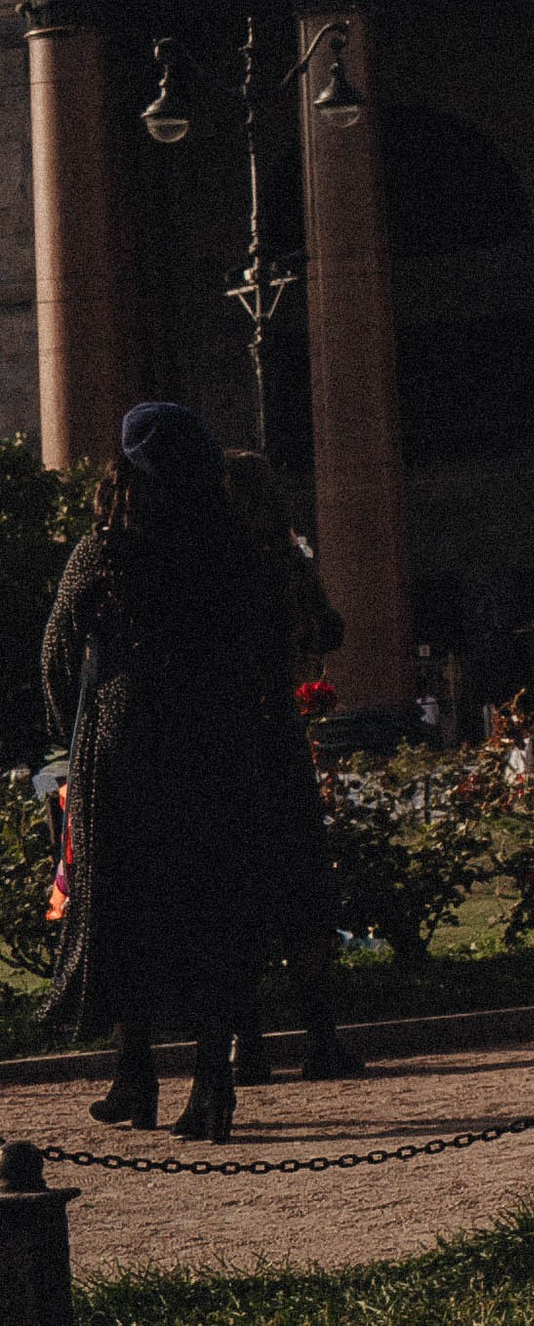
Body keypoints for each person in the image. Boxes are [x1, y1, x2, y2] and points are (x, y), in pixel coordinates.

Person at [42, 403, 266, 1139]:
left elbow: (56, 654)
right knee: (210, 910)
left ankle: (134, 1073)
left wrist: (74, 730)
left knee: (123, 913)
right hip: (217, 740)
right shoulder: (234, 544)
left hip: (124, 745)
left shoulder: (104, 549)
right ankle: (211, 1082)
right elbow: (268, 641)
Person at [222, 450, 362, 1084]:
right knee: (300, 887)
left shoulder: (202, 558)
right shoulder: (280, 557)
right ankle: (320, 1040)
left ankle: (246, 1046)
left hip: (219, 739)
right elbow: (329, 629)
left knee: (235, 892)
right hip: (275, 730)